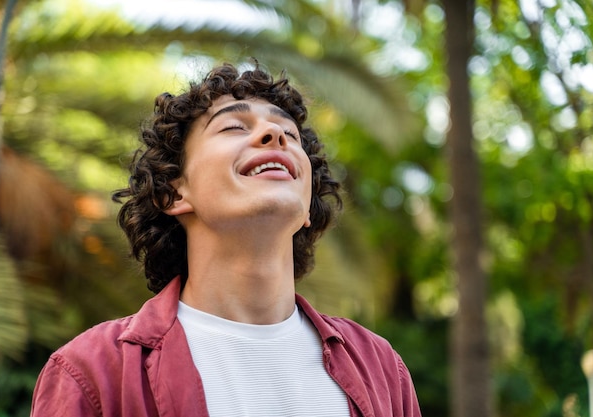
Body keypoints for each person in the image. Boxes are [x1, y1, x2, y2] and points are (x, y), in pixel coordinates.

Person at [31, 62, 422, 417]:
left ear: (306, 208)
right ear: (172, 193)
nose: (275, 134)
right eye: (234, 127)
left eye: (288, 132)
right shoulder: (93, 373)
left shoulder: (381, 367)